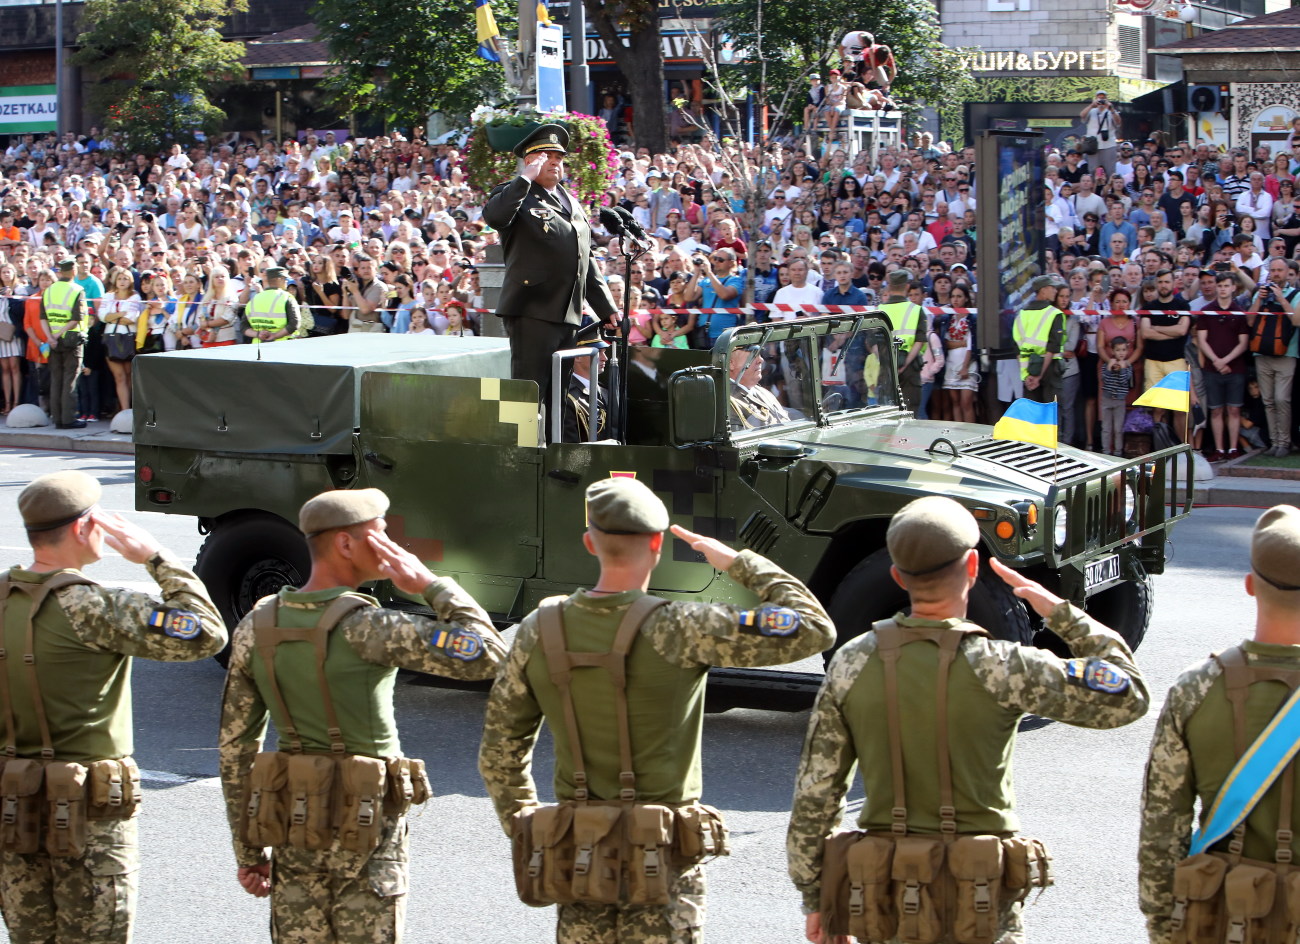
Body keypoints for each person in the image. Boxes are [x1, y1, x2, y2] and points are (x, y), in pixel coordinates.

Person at [478, 476, 835, 944]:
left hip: (580, 854)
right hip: (663, 861)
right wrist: (737, 562)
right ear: (656, 543)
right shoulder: (683, 627)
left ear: (590, 543)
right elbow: (813, 627)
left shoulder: (539, 629)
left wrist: (533, 831)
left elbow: (498, 756)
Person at [787, 496, 1149, 944]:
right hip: (978, 901)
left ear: (897, 576)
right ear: (973, 568)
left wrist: (818, 897)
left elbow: (816, 794)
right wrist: (1061, 613)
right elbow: (1127, 694)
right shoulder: (1002, 667)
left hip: (883, 893)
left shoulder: (850, 664)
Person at [218, 487, 505, 943]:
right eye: (381, 534)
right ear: (346, 545)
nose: (393, 546)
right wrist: (429, 584)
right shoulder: (370, 628)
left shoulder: (257, 626)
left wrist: (249, 849)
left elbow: (236, 750)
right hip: (367, 831)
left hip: (294, 826)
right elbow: (490, 655)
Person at [0, 471, 227, 941]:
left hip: (12, 809)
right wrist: (155, 557)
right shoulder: (96, 607)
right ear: (84, 529)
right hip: (88, 817)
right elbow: (206, 633)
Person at [1139, 505, 1300, 944]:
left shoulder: (1196, 688)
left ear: (1249, 585)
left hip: (1224, 919)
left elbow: (1161, 832)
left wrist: (1164, 928)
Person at [482, 123, 618, 416]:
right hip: (532, 309)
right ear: (530, 160)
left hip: (567, 313)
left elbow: (585, 259)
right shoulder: (516, 193)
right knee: (527, 394)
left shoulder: (571, 202)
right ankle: (521, 456)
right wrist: (524, 179)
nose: (554, 162)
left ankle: (552, 455)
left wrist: (606, 308)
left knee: (559, 394)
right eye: (545, 156)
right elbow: (495, 216)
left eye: (558, 157)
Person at [1246, 256, 1300, 456]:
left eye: (1280, 270)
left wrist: (1280, 298)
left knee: (1281, 399)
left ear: (1287, 273)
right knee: (1268, 400)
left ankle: (1284, 442)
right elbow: (1250, 322)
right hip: (1262, 354)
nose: (1276, 274)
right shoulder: (1261, 292)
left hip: (1286, 354)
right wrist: (1259, 299)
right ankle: (1274, 441)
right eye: (1273, 270)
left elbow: (1296, 321)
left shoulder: (1295, 294)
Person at [41, 259, 87, 429]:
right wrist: (59, 334)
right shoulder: (77, 290)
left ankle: (58, 418)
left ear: (60, 271)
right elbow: (76, 319)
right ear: (73, 271)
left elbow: (43, 318)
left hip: (53, 341)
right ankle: (68, 419)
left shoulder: (49, 291)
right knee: (70, 379)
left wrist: (51, 337)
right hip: (71, 339)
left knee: (56, 379)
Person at [879, 269, 929, 413]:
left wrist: (888, 364)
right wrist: (904, 365)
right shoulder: (916, 310)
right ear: (907, 286)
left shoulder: (879, 309)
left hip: (886, 369)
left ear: (889, 287)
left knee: (888, 415)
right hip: (909, 369)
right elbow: (919, 341)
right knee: (910, 414)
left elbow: (873, 343)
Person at [1011, 274, 1066, 404]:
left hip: (1029, 370)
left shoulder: (1021, 315)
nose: (1055, 291)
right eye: (1052, 287)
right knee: (1051, 416)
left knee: (1033, 417)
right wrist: (1039, 376)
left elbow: (1017, 348)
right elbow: (1052, 347)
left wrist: (1027, 376)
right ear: (1043, 290)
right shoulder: (1054, 314)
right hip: (1050, 370)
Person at [561, 323, 610, 442]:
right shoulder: (569, 398)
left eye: (603, 352)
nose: (605, 358)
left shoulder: (602, 390)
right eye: (598, 353)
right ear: (577, 356)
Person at [727, 345, 790, 429]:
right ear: (731, 363)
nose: (761, 360)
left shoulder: (763, 392)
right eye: (753, 356)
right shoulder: (727, 403)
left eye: (759, 354)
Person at [243, 266, 302, 343]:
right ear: (279, 279)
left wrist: (258, 334)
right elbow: (294, 323)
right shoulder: (286, 297)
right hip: (284, 344)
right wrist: (274, 335)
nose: (286, 281)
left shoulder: (254, 299)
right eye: (285, 279)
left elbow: (243, 326)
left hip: (259, 346)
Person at [1100, 335, 1134, 455]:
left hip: (1120, 400)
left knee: (1118, 428)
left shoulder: (1128, 366)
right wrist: (1109, 368)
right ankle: (1106, 451)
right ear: (1112, 351)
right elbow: (1105, 379)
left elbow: (1124, 381)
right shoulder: (1106, 365)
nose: (1121, 353)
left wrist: (1123, 369)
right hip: (1107, 398)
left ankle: (1118, 452)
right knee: (1106, 428)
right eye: (1118, 350)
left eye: (1124, 350)